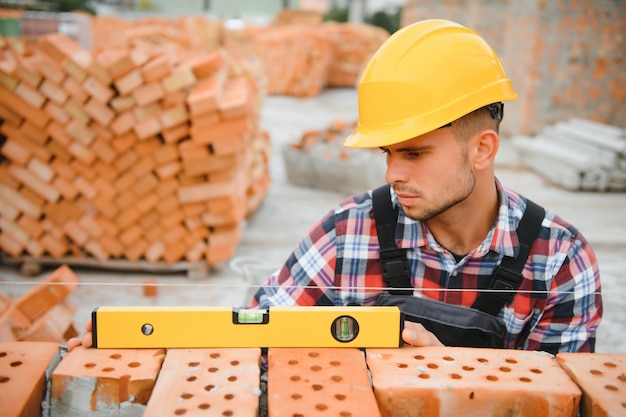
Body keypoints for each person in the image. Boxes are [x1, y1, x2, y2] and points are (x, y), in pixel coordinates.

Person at [68, 19, 602, 353]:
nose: (392, 174)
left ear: (482, 149)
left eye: (414, 152)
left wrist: (448, 375)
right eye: (387, 152)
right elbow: (257, 328)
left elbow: (559, 398)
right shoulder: (351, 231)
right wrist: (141, 337)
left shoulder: (558, 260)